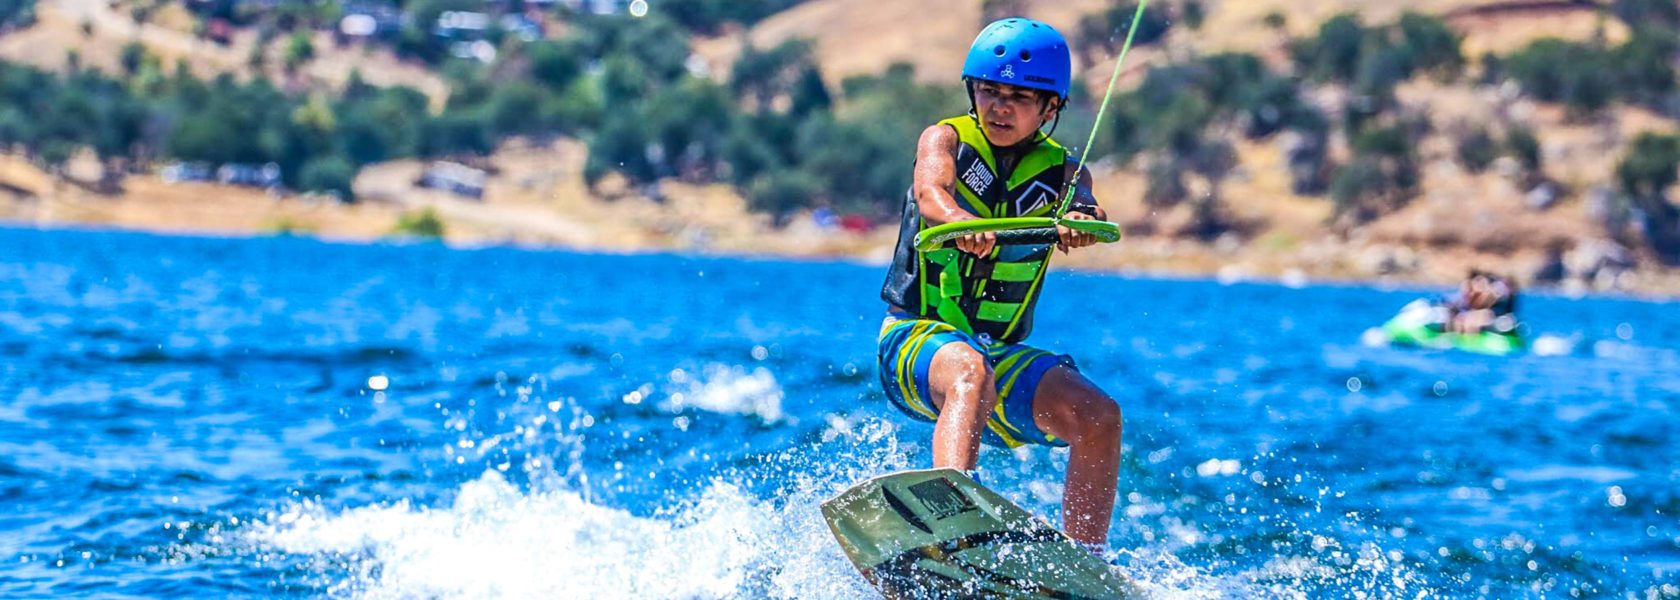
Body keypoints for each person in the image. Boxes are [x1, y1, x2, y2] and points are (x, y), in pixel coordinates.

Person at [875, 17, 1123, 553]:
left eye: (1019, 96)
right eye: (990, 90)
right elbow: (931, 193)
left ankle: (1084, 565)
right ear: (974, 91)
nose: (1000, 106)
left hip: (997, 353)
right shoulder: (944, 139)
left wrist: (1080, 222)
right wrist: (959, 221)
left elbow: (1087, 206)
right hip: (915, 341)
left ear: (1050, 108)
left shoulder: (1064, 173)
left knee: (1099, 416)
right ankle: (952, 519)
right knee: (968, 368)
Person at [1441, 270, 1519, 335]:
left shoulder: (1493, 295)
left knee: (1479, 316)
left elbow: (1486, 307)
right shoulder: (1465, 294)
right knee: (1469, 318)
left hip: (1492, 319)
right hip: (1465, 319)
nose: (1480, 286)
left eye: (1482, 284)